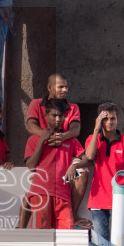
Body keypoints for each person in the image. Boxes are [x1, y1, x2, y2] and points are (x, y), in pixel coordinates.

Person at [72, 102, 124, 246]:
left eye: (112, 118)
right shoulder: (93, 139)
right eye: (105, 119)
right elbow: (89, 157)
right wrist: (96, 129)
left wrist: (121, 186)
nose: (109, 122)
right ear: (99, 120)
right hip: (98, 201)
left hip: (120, 199)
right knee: (101, 244)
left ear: (118, 120)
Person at [25, 73, 85, 212]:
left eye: (66, 87)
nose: (65, 90)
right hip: (43, 153)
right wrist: (46, 136)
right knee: (30, 194)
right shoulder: (35, 103)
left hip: (66, 153)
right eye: (61, 87)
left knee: (82, 172)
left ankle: (73, 213)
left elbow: (75, 130)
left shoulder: (73, 107)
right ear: (49, 88)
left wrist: (62, 137)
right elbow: (31, 126)